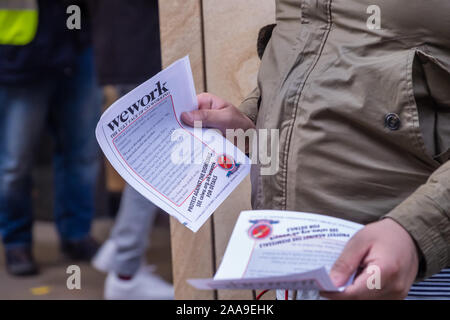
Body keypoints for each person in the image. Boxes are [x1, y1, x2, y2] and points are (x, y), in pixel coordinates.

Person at [180, 0, 450, 299]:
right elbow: (315, 47)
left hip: (418, 270)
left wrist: (418, 233)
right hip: (299, 259)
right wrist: (254, 123)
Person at [0, 0, 101, 276]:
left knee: (83, 154)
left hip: (76, 44)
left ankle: (76, 235)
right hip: (20, 54)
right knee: (14, 163)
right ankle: (17, 241)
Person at [88, 0, 174, 300]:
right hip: (140, 50)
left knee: (147, 160)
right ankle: (125, 269)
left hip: (124, 47)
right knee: (153, 164)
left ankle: (120, 253)